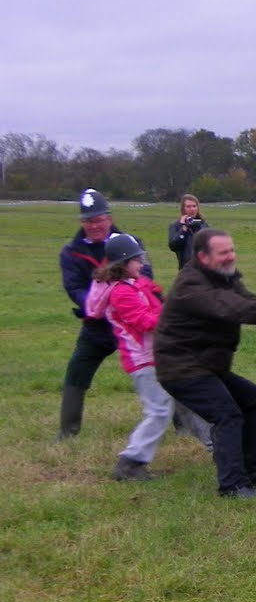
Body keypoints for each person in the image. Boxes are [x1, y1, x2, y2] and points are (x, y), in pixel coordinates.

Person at [154, 229, 256, 498]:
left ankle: (255, 475)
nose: (231, 256)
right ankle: (232, 485)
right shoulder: (191, 285)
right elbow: (227, 306)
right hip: (180, 368)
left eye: (232, 250)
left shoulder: (223, 277)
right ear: (203, 256)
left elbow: (244, 299)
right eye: (224, 253)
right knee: (227, 414)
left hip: (207, 366)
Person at [83, 233, 211, 480]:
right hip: (144, 362)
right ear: (122, 264)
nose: (141, 264)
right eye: (136, 260)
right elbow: (142, 321)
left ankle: (217, 444)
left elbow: (158, 309)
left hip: (160, 355)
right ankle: (131, 462)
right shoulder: (121, 292)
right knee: (159, 411)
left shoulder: (136, 284)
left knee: (188, 398)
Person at [57, 189, 148, 441]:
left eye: (98, 220)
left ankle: (183, 424)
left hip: (131, 321)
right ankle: (67, 431)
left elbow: (145, 275)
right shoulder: (71, 253)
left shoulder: (131, 242)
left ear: (109, 218)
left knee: (162, 369)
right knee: (77, 372)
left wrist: (123, 301)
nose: (94, 226)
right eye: (88, 221)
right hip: (96, 325)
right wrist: (94, 303)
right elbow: (74, 287)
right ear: (81, 222)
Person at [167, 194, 207, 269]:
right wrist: (183, 228)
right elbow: (173, 246)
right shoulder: (176, 226)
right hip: (186, 268)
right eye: (188, 206)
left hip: (204, 268)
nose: (192, 209)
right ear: (183, 209)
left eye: (194, 206)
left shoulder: (203, 225)